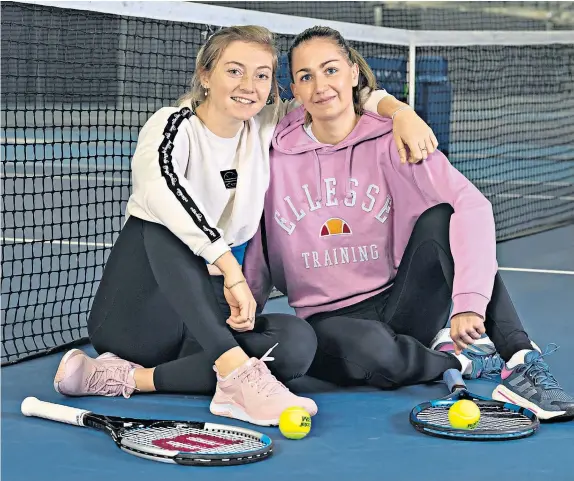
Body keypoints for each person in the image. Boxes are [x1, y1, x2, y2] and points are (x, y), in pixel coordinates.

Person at [52, 25, 440, 427]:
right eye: (234, 71)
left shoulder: (265, 124)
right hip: (139, 318)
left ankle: (131, 377)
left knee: (296, 345)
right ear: (206, 75)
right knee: (159, 222)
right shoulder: (173, 125)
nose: (249, 85)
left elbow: (334, 97)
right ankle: (233, 370)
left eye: (261, 75)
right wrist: (230, 266)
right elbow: (159, 187)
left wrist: (401, 112)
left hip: (204, 322)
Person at [242, 26, 574, 421]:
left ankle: (521, 361)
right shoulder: (272, 151)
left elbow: (472, 205)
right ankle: (461, 362)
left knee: (443, 218)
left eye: (330, 70)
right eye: (306, 76)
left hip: (401, 300)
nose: (320, 85)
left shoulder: (394, 136)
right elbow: (260, 236)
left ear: (352, 73)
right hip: (328, 320)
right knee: (371, 354)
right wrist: (247, 313)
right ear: (294, 88)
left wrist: (469, 302)